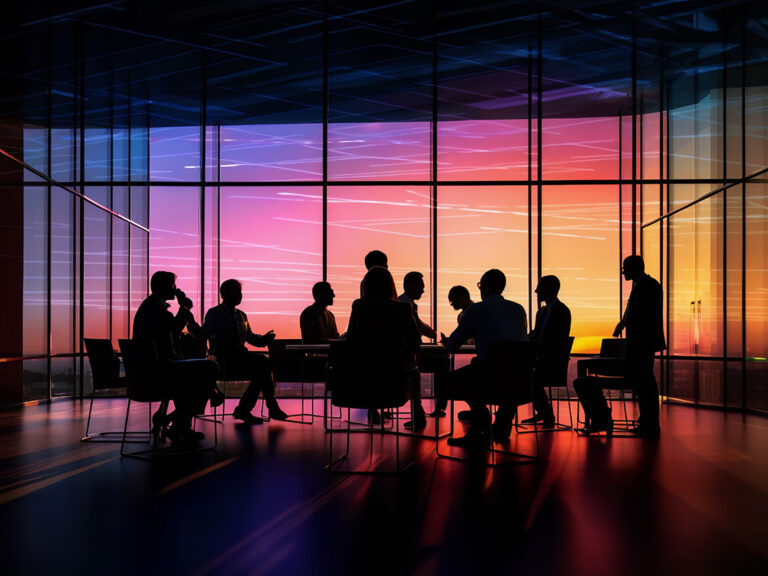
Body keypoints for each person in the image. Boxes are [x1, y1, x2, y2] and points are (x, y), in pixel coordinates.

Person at [574, 255, 665, 436]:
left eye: (626, 269)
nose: (623, 273)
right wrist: (623, 323)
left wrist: (626, 324)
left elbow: (641, 315)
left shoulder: (646, 286)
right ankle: (648, 423)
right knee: (644, 383)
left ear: (635, 268)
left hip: (641, 344)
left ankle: (649, 424)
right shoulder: (645, 285)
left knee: (645, 383)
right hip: (642, 344)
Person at [439, 269, 528, 448]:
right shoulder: (518, 310)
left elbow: (452, 346)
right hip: (520, 380)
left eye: (480, 285)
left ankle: (480, 422)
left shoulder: (476, 310)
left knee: (449, 381)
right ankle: (502, 421)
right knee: (487, 369)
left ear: (485, 287)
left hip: (489, 380)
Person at [132, 271, 221, 443]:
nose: (176, 289)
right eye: (173, 285)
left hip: (153, 368)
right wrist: (185, 307)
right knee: (210, 368)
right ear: (164, 286)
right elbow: (174, 327)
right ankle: (178, 423)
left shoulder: (151, 306)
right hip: (158, 370)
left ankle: (177, 424)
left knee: (197, 376)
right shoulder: (156, 309)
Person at [200, 279, 287, 424]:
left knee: (262, 369)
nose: (241, 295)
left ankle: (252, 408)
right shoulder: (214, 313)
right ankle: (259, 407)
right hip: (225, 359)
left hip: (240, 358)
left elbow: (251, 337)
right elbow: (204, 333)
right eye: (237, 292)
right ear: (226, 294)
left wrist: (265, 339)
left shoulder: (241, 315)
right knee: (264, 366)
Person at [345, 267, 421, 426]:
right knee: (413, 370)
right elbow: (415, 340)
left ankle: (373, 409)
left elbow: (351, 338)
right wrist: (406, 358)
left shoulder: (359, 306)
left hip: (364, 379)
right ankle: (418, 411)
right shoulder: (403, 308)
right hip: (395, 378)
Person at [520, 275, 571, 429]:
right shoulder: (541, 312)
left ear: (548, 290)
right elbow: (536, 334)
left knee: (527, 375)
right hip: (542, 360)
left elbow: (556, 341)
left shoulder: (562, 311)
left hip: (552, 362)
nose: (536, 291)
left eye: (539, 288)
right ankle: (544, 411)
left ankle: (546, 413)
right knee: (525, 373)